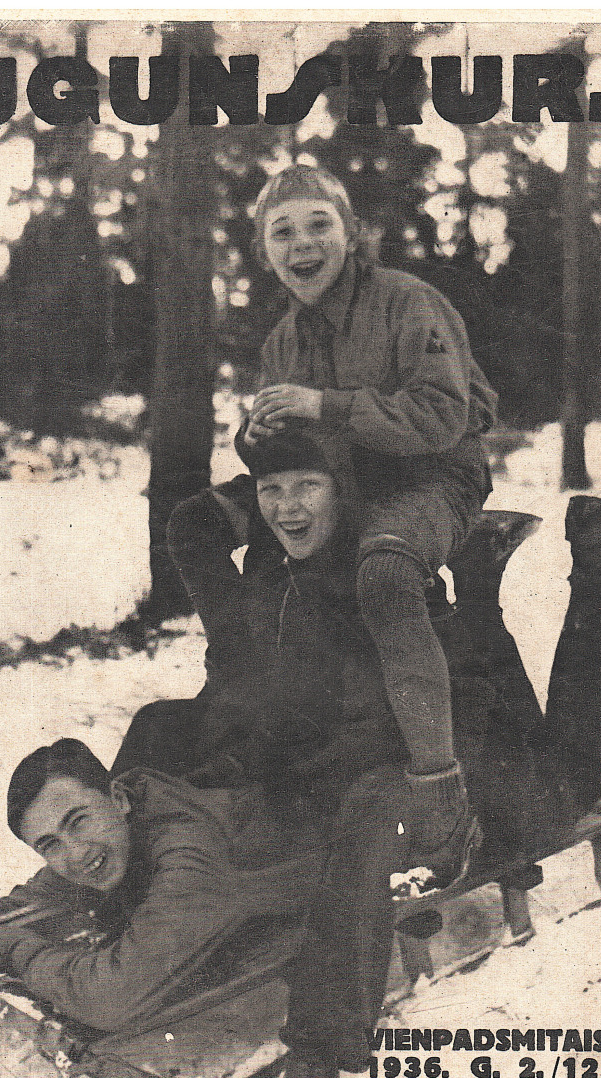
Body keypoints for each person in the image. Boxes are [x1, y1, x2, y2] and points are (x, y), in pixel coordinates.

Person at [168, 427, 601, 1078]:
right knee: (472, 753)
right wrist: (277, 486)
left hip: (442, 761)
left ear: (342, 494)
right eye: (272, 491)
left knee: (562, 786)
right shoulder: (271, 583)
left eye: (307, 487)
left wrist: (412, 772)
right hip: (395, 749)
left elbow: (446, 701)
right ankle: (504, 567)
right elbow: (192, 529)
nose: (288, 507)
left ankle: (315, 1066)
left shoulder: (375, 563)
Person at [244, 163, 499, 885]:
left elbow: (444, 416)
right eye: (282, 232)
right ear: (265, 251)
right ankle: (306, 781)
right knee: (261, 569)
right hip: (344, 488)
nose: (302, 244)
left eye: (318, 225)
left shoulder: (407, 302)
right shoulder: (280, 343)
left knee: (384, 571)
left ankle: (442, 805)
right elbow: (289, 453)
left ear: (351, 235)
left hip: (433, 477)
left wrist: (323, 406)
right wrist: (257, 436)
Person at [0, 738, 324, 1033]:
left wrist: (14, 952)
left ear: (118, 798)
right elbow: (47, 894)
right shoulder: (123, 824)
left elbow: (110, 998)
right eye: (50, 844)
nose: (76, 853)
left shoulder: (187, 853)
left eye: (78, 821)